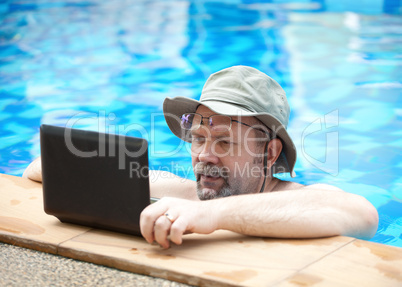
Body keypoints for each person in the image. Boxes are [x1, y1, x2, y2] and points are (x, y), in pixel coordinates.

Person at [24, 66, 378, 249]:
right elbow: (40, 169)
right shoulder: (184, 193)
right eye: (198, 138)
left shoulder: (294, 199)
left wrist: (210, 215)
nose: (205, 156)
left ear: (269, 153)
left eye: (224, 142)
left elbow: (364, 214)